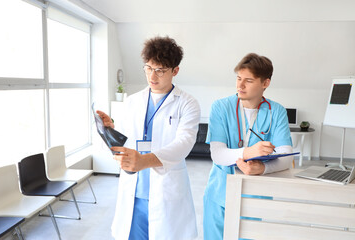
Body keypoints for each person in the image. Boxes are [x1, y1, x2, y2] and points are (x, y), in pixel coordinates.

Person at [97, 36, 200, 240]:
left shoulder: (187, 103)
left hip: (166, 188)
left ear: (175, 70)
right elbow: (125, 142)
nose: (153, 76)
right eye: (148, 68)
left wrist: (145, 160)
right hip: (134, 191)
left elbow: (184, 143)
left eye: (160, 70)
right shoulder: (132, 101)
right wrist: (110, 130)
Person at [203, 53, 294, 239]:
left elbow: (286, 156)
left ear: (265, 83)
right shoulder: (221, 107)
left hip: (256, 198)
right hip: (220, 195)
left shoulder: (276, 111)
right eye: (238, 78)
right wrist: (250, 152)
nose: (240, 85)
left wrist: (262, 168)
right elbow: (218, 154)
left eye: (249, 80)